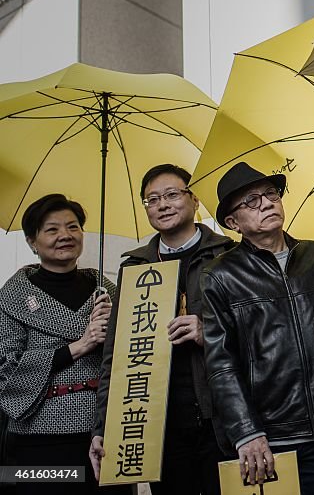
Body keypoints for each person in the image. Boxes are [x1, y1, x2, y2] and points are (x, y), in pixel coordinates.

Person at [201, 162, 314, 494]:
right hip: (268, 437)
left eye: (271, 194)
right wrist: (246, 432)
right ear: (232, 222)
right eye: (252, 201)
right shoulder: (220, 275)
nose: (268, 203)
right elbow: (221, 363)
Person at [89, 164, 235, 493]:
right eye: (152, 199)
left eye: (172, 195)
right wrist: (105, 426)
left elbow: (257, 333)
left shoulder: (229, 256)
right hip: (160, 422)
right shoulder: (136, 268)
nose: (163, 205)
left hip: (223, 417)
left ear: (194, 199)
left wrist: (207, 332)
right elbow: (116, 356)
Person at [0, 195, 127, 494]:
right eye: (52, 229)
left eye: (73, 227)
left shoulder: (106, 292)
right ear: (32, 241)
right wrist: (79, 345)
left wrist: (115, 331)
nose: (65, 236)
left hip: (103, 431)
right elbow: (6, 373)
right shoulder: (12, 296)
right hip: (38, 439)